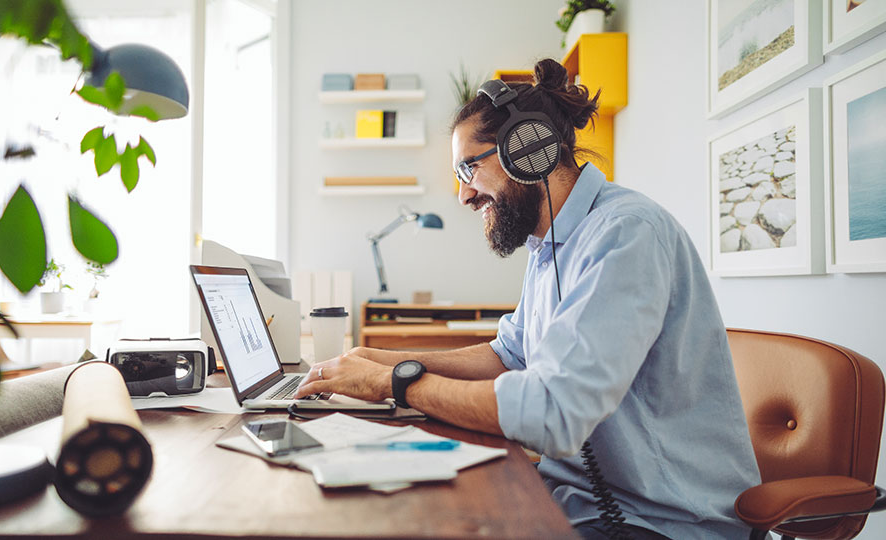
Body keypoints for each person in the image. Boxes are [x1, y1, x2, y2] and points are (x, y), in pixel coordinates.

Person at [296, 58, 761, 539]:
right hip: (573, 499)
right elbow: (509, 356)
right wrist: (382, 359)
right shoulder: (549, 244)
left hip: (661, 522)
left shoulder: (626, 235)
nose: (463, 196)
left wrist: (392, 382)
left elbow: (551, 413)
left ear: (528, 151)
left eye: (467, 168)